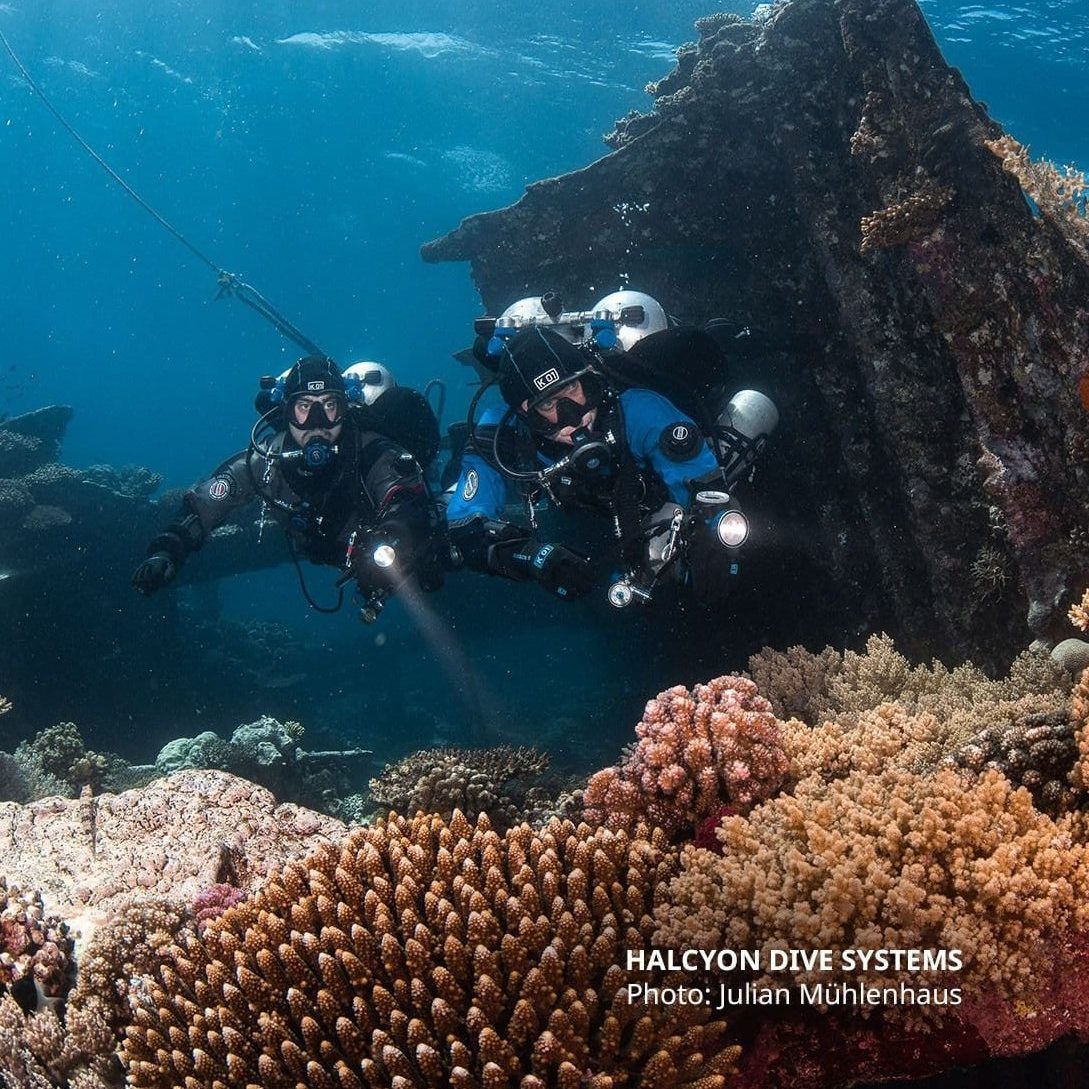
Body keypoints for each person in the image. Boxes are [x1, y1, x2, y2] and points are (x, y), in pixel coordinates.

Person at [445, 291, 777, 608]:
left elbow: (701, 485)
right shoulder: (499, 433)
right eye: (547, 404)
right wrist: (533, 557)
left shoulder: (636, 409)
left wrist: (712, 543)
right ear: (523, 414)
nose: (571, 415)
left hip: (649, 497)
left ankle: (728, 338)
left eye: (571, 389)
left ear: (586, 380)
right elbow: (465, 523)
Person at [132, 355, 443, 620]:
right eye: (304, 407)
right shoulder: (267, 461)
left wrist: (391, 537)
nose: (318, 422)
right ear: (286, 410)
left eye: (330, 406)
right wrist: (168, 548)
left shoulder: (373, 452)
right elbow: (208, 503)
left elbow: (402, 498)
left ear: (345, 408)